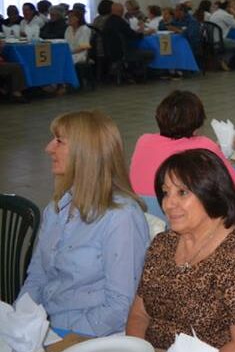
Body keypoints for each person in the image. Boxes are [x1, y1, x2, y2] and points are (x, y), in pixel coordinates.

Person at [126, 149, 235, 350]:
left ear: (211, 192)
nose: (168, 203)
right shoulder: (163, 244)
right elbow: (138, 315)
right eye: (165, 192)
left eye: (182, 192)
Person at [20, 111, 149, 336]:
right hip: (47, 327)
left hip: (91, 336)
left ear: (85, 153)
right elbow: (38, 275)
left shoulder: (121, 217)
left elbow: (120, 307)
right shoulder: (57, 208)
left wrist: (63, 338)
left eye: (59, 141)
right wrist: (20, 319)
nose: (49, 148)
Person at [130, 90, 235, 196]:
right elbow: (234, 187)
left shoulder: (143, 141)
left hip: (141, 211)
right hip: (178, 212)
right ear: (198, 123)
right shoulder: (205, 146)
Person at [102, 1, 154, 76]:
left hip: (109, 52)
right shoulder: (120, 22)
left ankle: (131, 71)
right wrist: (144, 33)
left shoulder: (107, 22)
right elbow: (133, 36)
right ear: (122, 11)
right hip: (122, 53)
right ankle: (138, 74)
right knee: (150, 53)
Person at [208, 0, 235, 70]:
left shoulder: (215, 13)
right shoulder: (226, 15)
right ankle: (224, 59)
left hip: (210, 40)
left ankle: (221, 59)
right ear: (228, 8)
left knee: (231, 43)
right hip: (219, 41)